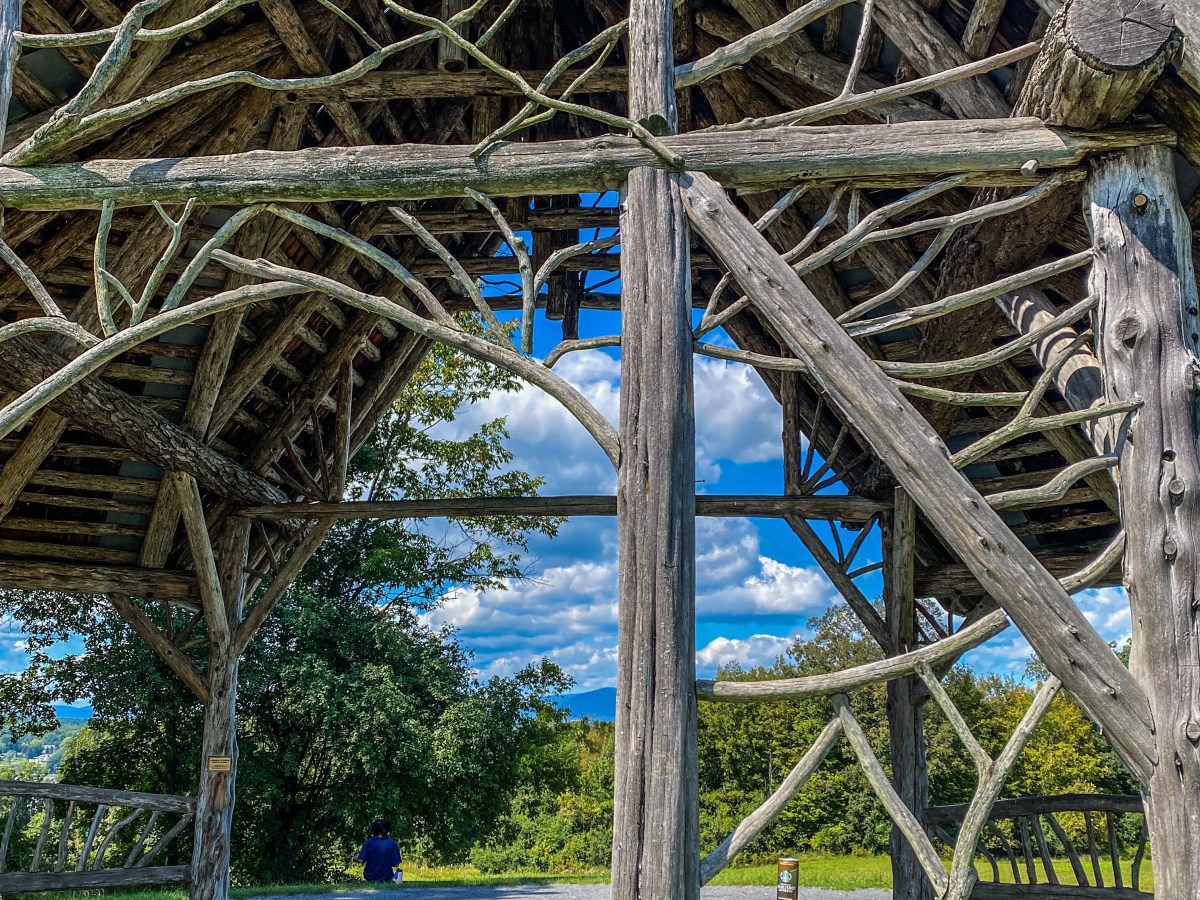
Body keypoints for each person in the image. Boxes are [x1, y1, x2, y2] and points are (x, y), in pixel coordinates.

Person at [355, 818, 401, 883]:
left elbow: (360, 860)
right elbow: (396, 864)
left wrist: (354, 858)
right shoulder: (393, 843)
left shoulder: (368, 842)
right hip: (387, 878)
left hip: (370, 878)